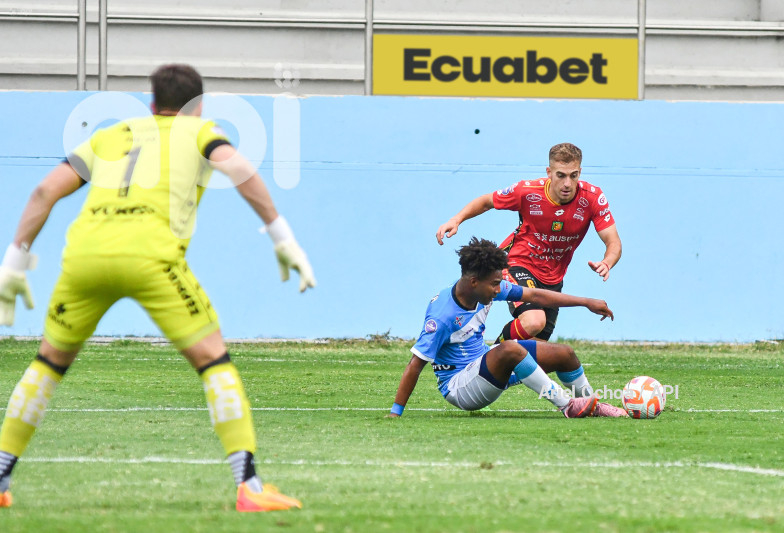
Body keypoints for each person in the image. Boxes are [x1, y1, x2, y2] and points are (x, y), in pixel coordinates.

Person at [0, 64, 315, 512]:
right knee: (213, 360)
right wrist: (282, 237)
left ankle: (0, 476)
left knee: (48, 364)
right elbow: (241, 170)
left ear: (151, 104)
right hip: (152, 260)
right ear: (198, 106)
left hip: (84, 260)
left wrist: (14, 262)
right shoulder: (201, 131)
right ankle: (249, 487)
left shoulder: (112, 134)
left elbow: (42, 192)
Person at [388, 237, 627, 418]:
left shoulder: (485, 288)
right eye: (494, 284)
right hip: (460, 387)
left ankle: (591, 405)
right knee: (509, 349)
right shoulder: (442, 316)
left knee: (564, 354)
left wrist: (586, 302)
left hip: (485, 366)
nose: (498, 289)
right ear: (474, 282)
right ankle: (567, 406)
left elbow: (535, 294)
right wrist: (395, 413)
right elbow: (414, 365)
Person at [436, 143, 622, 345]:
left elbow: (613, 241)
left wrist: (608, 261)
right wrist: (456, 219)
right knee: (534, 321)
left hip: (553, 277)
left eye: (573, 175)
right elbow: (487, 201)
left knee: (536, 347)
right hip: (518, 263)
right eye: (561, 175)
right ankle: (491, 356)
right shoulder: (527, 191)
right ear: (549, 172)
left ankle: (499, 366)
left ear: (580, 172)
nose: (567, 183)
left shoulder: (593, 198)